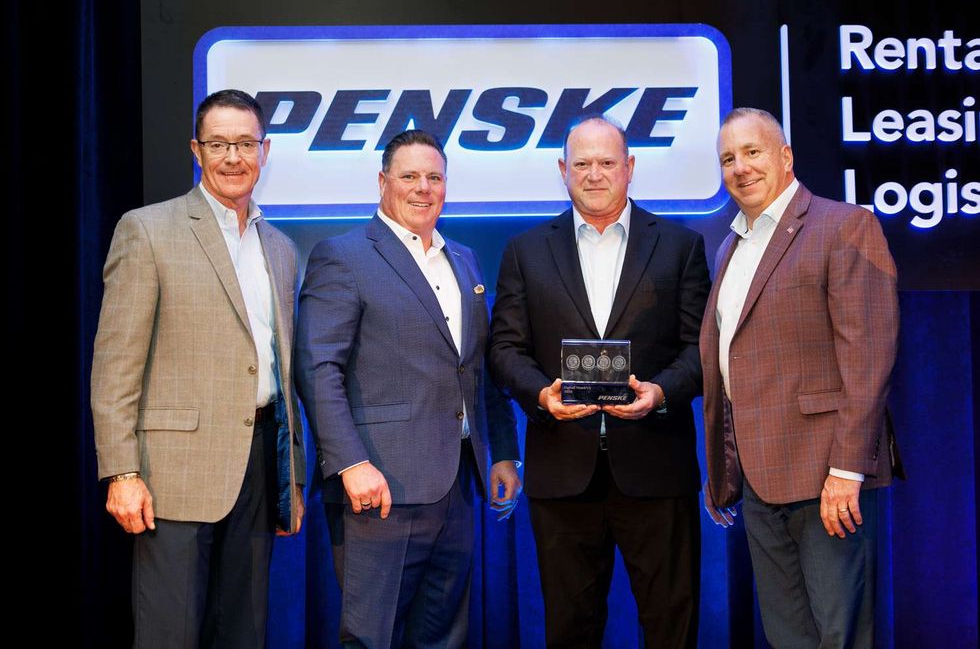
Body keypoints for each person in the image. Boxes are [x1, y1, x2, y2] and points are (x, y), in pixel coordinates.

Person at [91, 88, 306, 648]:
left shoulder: (280, 247)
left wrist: (292, 476)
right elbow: (115, 366)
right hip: (172, 472)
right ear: (196, 149)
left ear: (265, 150)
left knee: (245, 632)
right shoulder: (148, 230)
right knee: (171, 634)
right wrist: (122, 471)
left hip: (259, 464)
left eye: (244, 143)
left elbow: (287, 377)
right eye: (218, 144)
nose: (232, 157)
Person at [489, 116, 710, 648]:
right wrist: (541, 395)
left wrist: (662, 393)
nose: (594, 174)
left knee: (671, 627)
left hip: (656, 469)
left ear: (629, 168)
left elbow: (701, 350)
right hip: (564, 471)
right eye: (581, 164)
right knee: (570, 629)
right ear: (563, 171)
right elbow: (504, 349)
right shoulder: (526, 250)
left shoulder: (681, 246)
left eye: (607, 162)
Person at [296, 129, 522, 648]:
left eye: (434, 177)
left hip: (457, 487)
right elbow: (317, 367)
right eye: (410, 177)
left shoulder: (463, 260)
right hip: (378, 488)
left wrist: (502, 454)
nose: (423, 188)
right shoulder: (344, 256)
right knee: (371, 637)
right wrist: (351, 463)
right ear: (382, 182)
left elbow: (476, 366)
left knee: (444, 637)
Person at [701, 107, 900, 648]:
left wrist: (847, 470)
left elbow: (869, 356)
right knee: (787, 637)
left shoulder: (844, 225)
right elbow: (733, 362)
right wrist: (724, 463)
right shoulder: (731, 246)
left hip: (826, 478)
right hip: (761, 479)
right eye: (728, 158)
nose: (740, 167)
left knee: (839, 636)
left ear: (785, 156)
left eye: (753, 152)